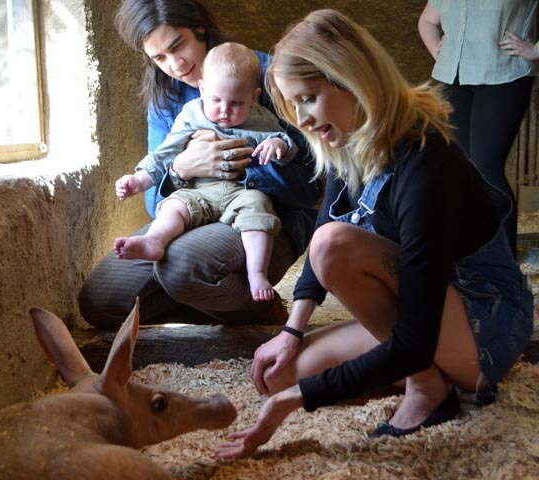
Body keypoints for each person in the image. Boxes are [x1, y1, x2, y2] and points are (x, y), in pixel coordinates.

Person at [215, 9, 534, 459]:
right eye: (293, 104)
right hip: (425, 311)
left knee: (332, 255)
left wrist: (295, 404)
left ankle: (427, 389)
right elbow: (328, 220)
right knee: (278, 376)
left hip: (484, 320)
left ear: (350, 78)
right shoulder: (348, 140)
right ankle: (425, 377)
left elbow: (410, 335)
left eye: (308, 98)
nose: (303, 120)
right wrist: (291, 330)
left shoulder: (426, 162)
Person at [78, 0, 321, 327]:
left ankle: (256, 306)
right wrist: (182, 168)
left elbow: (312, 187)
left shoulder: (273, 77)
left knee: (180, 265)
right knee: (100, 302)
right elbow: (154, 202)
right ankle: (225, 304)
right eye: (159, 57)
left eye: (178, 46)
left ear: (200, 29)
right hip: (195, 209)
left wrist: (240, 161)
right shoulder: (165, 97)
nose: (175, 65)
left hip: (261, 215)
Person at [114, 42, 297, 302]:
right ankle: (154, 240)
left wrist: (278, 145)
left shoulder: (262, 117)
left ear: (254, 97)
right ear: (202, 89)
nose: (224, 110)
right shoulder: (191, 115)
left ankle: (257, 272)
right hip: (197, 190)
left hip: (241, 192)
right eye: (215, 100)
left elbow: (288, 145)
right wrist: (138, 180)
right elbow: (164, 154)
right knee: (172, 207)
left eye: (236, 103)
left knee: (258, 210)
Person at [418, 0, 539, 257]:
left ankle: (504, 266)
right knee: (462, 169)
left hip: (504, 76)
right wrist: (440, 54)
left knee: (486, 168)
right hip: (453, 79)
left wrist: (535, 50)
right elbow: (427, 21)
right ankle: (471, 260)